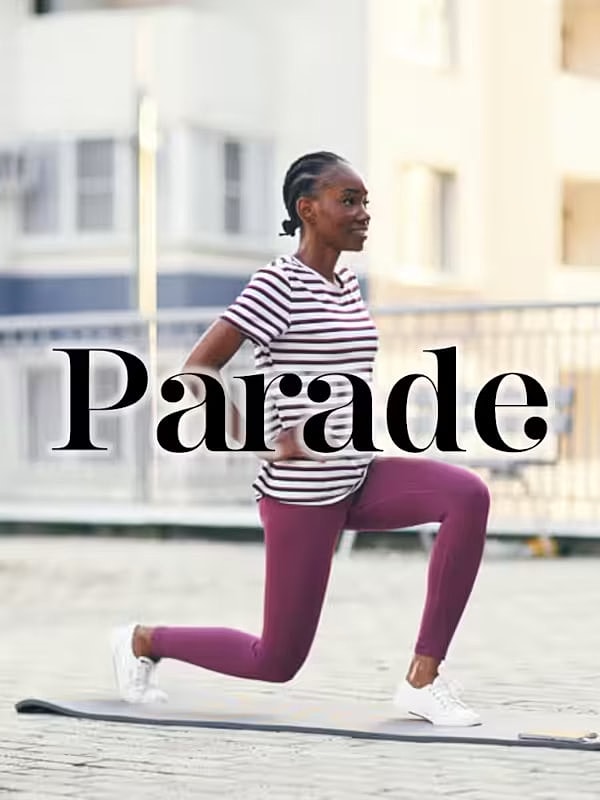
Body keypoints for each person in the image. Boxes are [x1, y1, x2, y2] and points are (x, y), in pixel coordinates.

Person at [110, 151, 490, 726]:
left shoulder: (347, 284)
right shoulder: (276, 284)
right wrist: (256, 440)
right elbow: (196, 370)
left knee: (467, 495)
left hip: (358, 474)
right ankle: (142, 641)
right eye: (349, 201)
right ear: (306, 210)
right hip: (302, 494)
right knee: (276, 660)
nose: (363, 213)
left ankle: (423, 679)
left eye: (366, 202)